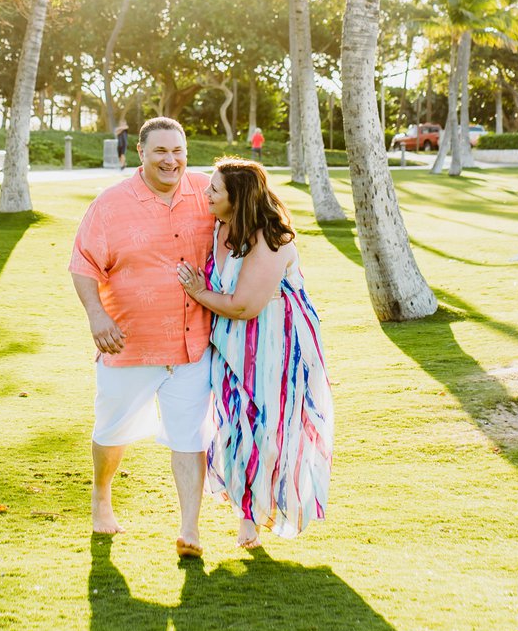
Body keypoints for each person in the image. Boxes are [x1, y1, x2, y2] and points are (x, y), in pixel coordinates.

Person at [69, 117, 216, 556]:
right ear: (141, 153)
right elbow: (82, 265)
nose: (171, 160)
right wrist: (97, 317)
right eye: (160, 152)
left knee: (190, 436)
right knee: (113, 429)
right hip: (129, 343)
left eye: (178, 151)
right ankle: (101, 495)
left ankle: (189, 529)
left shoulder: (210, 193)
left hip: (194, 345)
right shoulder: (110, 205)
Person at [175, 158, 333, 549]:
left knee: (267, 430)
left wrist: (198, 294)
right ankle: (247, 511)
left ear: (238, 197)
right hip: (229, 342)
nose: (206, 194)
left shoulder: (269, 238)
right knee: (231, 426)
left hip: (274, 345)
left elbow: (246, 305)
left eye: (215, 190)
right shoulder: (217, 225)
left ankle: (253, 516)